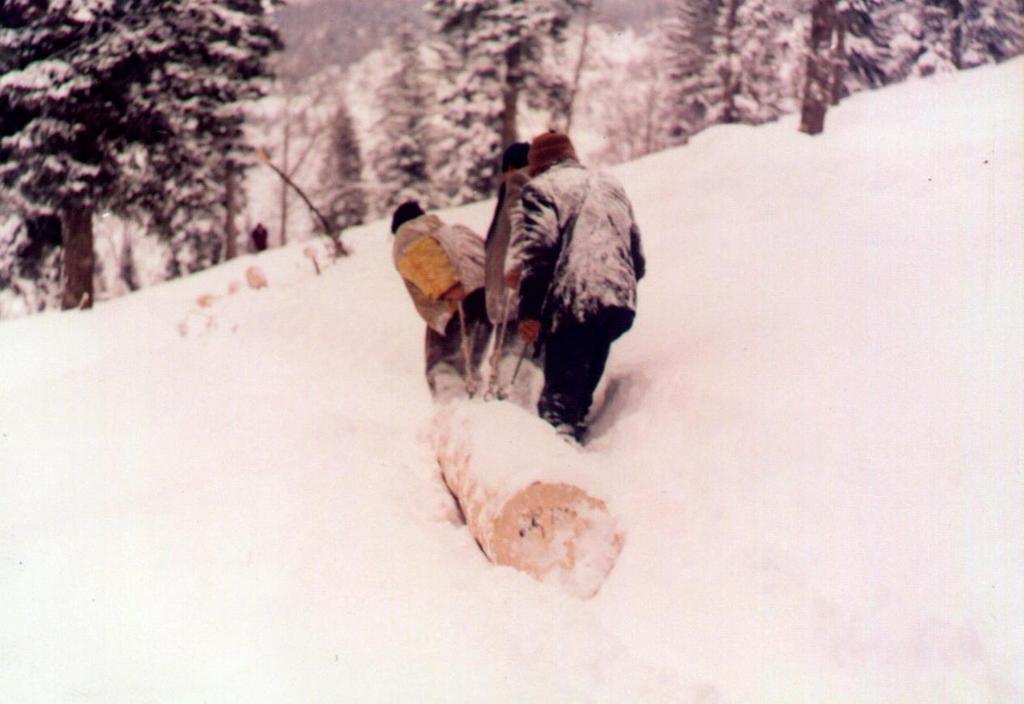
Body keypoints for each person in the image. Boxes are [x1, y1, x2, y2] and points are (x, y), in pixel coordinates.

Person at [506, 131, 645, 443]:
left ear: (538, 164)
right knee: (578, 395)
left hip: (574, 300)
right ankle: (574, 447)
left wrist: (528, 313)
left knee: (558, 405)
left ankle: (556, 472)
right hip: (617, 300)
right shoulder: (610, 185)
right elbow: (637, 255)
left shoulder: (541, 189)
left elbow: (539, 256)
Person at [391, 200, 492, 400]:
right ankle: (477, 415)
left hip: (457, 305)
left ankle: (453, 421)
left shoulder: (409, 232)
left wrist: (449, 288)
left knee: (444, 370)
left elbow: (444, 282)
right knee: (470, 368)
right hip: (487, 301)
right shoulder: (452, 230)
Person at [482, 141, 539, 403]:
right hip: (514, 301)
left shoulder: (519, 183)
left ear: (511, 167)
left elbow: (520, 237)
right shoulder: (526, 187)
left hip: (515, 301)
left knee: (512, 373)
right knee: (509, 369)